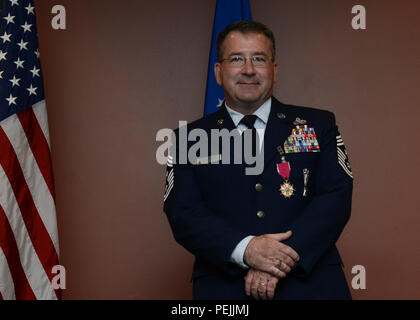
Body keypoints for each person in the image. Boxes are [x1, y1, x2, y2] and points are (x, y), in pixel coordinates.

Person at [163, 20, 353, 300]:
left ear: (274, 71)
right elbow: (183, 211)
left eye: (259, 59)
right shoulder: (187, 138)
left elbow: (335, 196)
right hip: (226, 290)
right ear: (219, 71)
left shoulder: (318, 124)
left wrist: (276, 261)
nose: (248, 69)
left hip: (311, 285)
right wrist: (246, 250)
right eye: (236, 58)